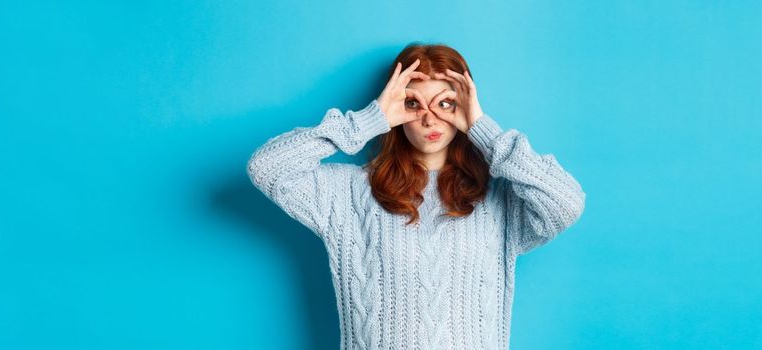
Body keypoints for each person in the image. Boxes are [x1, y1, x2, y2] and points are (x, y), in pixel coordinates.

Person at [246, 43, 586, 350]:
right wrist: (369, 120)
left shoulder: (499, 200)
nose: (429, 118)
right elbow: (267, 168)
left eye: (445, 103)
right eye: (413, 103)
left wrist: (483, 127)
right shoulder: (349, 193)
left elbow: (566, 202)